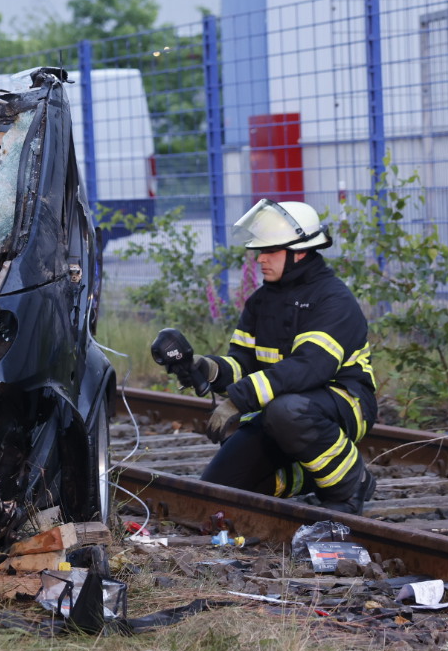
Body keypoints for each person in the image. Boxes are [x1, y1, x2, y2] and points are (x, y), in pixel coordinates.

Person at [151, 199, 379, 514]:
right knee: (218, 493)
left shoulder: (332, 299)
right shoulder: (262, 302)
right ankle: (315, 478)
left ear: (299, 252)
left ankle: (351, 486)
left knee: (287, 411)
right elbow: (243, 364)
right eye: (260, 251)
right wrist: (207, 367)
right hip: (279, 408)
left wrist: (238, 400)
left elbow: (309, 367)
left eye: (270, 251)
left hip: (343, 402)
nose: (260, 259)